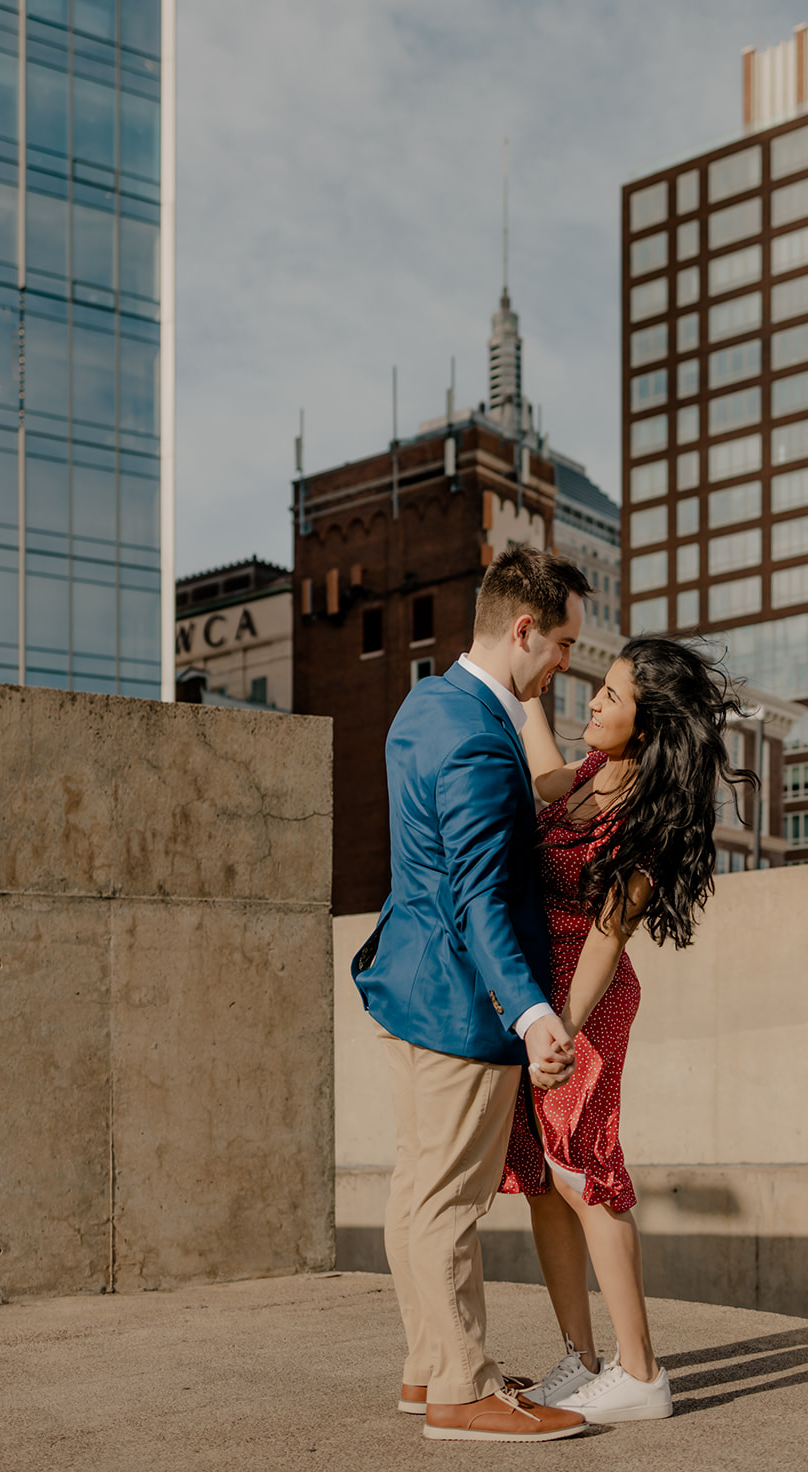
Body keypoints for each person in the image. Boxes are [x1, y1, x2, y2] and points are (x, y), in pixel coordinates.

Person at [352, 545, 594, 1444]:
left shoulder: (426, 704)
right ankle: (460, 1390)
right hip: (461, 1004)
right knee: (449, 1202)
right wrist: (532, 1014)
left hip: (405, 983)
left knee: (417, 1189)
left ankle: (429, 1369)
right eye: (563, 643)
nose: (566, 662)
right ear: (523, 628)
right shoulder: (481, 744)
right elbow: (482, 898)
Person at [500, 635, 754, 1424]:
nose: (595, 703)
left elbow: (606, 941)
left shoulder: (647, 816)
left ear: (645, 726)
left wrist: (560, 1032)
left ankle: (640, 1371)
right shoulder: (583, 776)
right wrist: (523, 678)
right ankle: (579, 1361)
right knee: (543, 1182)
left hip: (585, 998)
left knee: (585, 1174)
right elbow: (542, 766)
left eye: (611, 696)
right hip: (536, 994)